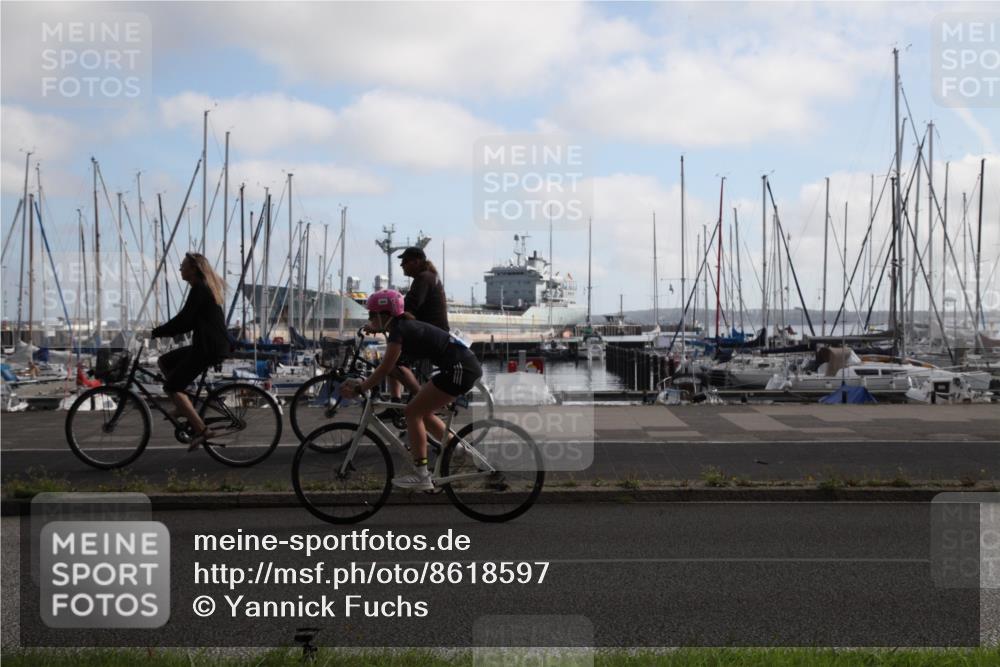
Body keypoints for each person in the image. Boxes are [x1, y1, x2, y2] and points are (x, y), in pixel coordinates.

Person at [341, 289, 481, 490]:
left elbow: (385, 368)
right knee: (422, 412)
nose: (370, 318)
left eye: (372, 314)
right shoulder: (401, 326)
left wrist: (360, 388)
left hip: (459, 370)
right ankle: (457, 450)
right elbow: (390, 366)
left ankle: (421, 475)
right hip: (460, 367)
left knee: (412, 412)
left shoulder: (399, 331)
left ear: (385, 315)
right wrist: (374, 328)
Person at [151, 252, 231, 451]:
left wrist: (158, 332)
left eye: (183, 266)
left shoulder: (200, 289)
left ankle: (202, 431)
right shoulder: (201, 287)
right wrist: (163, 331)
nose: (180, 269)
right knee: (164, 361)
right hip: (206, 344)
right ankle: (183, 405)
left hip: (209, 347)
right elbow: (186, 321)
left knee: (172, 387)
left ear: (193, 269)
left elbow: (184, 320)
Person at [379, 246, 449, 413]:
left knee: (392, 362)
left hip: (430, 336)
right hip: (433, 333)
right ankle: (395, 404)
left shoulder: (424, 278)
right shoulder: (429, 277)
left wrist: (382, 323)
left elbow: (408, 308)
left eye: (405, 261)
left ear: (416, 262)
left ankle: (423, 401)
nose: (402, 265)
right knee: (393, 357)